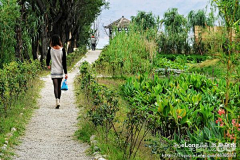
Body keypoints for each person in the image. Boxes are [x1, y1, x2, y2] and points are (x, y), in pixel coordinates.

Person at [46, 34, 68, 109]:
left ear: (52, 41)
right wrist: (66, 73)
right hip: (60, 70)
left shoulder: (50, 49)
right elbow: (64, 62)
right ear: (59, 40)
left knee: (55, 86)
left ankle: (57, 100)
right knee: (59, 86)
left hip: (54, 70)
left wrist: (48, 65)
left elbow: (47, 58)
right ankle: (59, 100)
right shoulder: (62, 50)